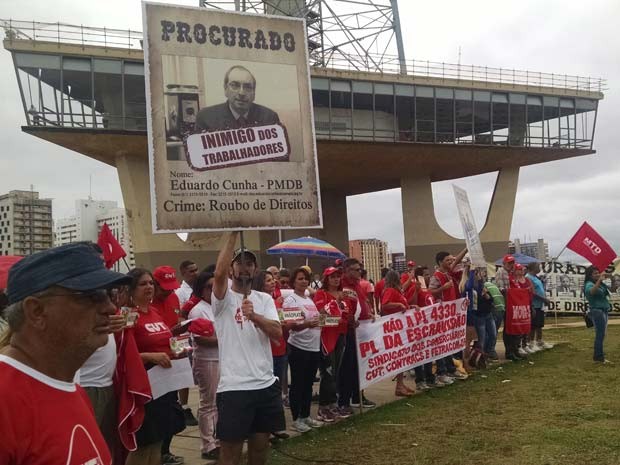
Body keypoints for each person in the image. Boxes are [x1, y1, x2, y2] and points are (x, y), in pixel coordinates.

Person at [0, 242, 131, 465]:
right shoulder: (6, 399)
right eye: (91, 296)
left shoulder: (72, 389)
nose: (109, 308)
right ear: (37, 311)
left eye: (109, 295)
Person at [211, 232, 285, 465]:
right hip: (234, 389)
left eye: (249, 264)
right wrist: (234, 232)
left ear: (255, 270)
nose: (244, 268)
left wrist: (255, 317)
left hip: (265, 385)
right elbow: (218, 273)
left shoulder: (264, 299)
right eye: (239, 263)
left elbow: (277, 333)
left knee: (260, 450)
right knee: (230, 454)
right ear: (232, 269)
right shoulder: (222, 299)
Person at [125, 268, 187, 465]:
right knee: (144, 443)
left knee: (158, 441)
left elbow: (165, 341)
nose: (149, 287)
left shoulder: (155, 312)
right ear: (132, 289)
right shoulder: (128, 315)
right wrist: (151, 356)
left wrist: (177, 350)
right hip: (144, 387)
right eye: (143, 284)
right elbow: (123, 355)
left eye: (151, 283)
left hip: (165, 385)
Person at [152, 266, 198, 428]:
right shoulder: (147, 303)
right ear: (155, 284)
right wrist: (171, 331)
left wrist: (181, 327)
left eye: (171, 288)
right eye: (165, 288)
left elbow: (176, 319)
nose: (168, 292)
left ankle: (167, 449)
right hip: (156, 359)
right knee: (160, 407)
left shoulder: (173, 298)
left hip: (176, 351)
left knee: (173, 399)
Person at [284, 267, 323, 433]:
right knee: (298, 384)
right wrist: (307, 324)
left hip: (313, 346)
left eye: (306, 278)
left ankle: (306, 415)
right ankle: (296, 418)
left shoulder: (308, 299)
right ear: (293, 282)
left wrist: (324, 318)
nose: (304, 281)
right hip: (299, 347)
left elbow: (315, 319)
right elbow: (290, 326)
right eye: (300, 279)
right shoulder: (291, 300)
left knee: (308, 384)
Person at [251, 270, 290, 440]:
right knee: (270, 387)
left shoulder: (276, 301)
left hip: (281, 347)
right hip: (266, 351)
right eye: (268, 280)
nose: (273, 282)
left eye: (273, 279)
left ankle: (275, 424)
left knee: (279, 384)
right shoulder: (255, 302)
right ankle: (268, 426)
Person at [187, 271, 220, 460]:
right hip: (207, 360)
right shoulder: (199, 310)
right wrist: (226, 339)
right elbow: (202, 339)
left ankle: (218, 438)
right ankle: (208, 444)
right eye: (209, 286)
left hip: (222, 359)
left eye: (216, 285)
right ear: (201, 289)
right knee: (208, 403)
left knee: (220, 402)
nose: (213, 289)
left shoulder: (217, 306)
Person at [313, 266, 350, 421]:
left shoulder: (343, 294)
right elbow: (320, 316)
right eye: (332, 277)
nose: (336, 279)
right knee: (327, 372)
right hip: (327, 337)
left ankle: (332, 404)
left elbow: (346, 315)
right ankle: (323, 407)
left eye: (337, 276)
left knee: (336, 372)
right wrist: (336, 304)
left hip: (341, 336)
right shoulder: (321, 294)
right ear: (326, 279)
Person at [339, 258, 376, 410]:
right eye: (356, 269)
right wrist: (349, 321)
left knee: (359, 365)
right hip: (348, 332)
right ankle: (344, 400)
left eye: (360, 269)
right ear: (347, 270)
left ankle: (358, 395)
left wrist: (370, 313)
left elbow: (363, 302)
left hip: (361, 331)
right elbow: (340, 307)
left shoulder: (357, 285)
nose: (360, 272)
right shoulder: (342, 286)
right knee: (347, 367)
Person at [195, 66, 280, 132]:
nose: (241, 93)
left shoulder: (269, 118)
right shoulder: (206, 118)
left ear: (254, 93)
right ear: (225, 89)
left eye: (248, 87)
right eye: (235, 85)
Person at [428, 250, 468, 383]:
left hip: (451, 315)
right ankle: (441, 371)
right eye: (448, 260)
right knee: (442, 344)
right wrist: (443, 288)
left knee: (449, 344)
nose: (451, 262)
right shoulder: (437, 276)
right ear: (440, 262)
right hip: (442, 316)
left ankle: (450, 369)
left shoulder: (449, 274)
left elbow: (458, 262)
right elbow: (430, 292)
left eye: (451, 260)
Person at [381, 270, 415, 396]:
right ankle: (399, 386)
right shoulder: (390, 291)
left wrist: (411, 307)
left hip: (400, 327)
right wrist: (399, 304)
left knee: (403, 357)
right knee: (400, 356)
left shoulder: (396, 291)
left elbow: (402, 307)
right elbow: (385, 305)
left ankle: (400, 384)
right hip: (395, 328)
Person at [583, 266, 612, 363]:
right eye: (595, 273)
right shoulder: (589, 284)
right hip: (597, 311)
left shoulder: (601, 284)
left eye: (598, 272)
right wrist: (599, 280)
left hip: (604, 310)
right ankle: (598, 357)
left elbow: (612, 289)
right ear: (589, 275)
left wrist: (613, 279)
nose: (598, 274)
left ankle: (598, 355)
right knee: (600, 334)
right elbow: (591, 292)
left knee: (602, 334)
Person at [526, 263, 553, 351]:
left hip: (540, 305)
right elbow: (533, 293)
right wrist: (544, 299)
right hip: (534, 304)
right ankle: (531, 343)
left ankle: (539, 341)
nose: (539, 268)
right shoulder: (528, 277)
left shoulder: (536, 277)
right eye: (537, 267)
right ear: (532, 268)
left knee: (539, 325)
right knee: (533, 325)